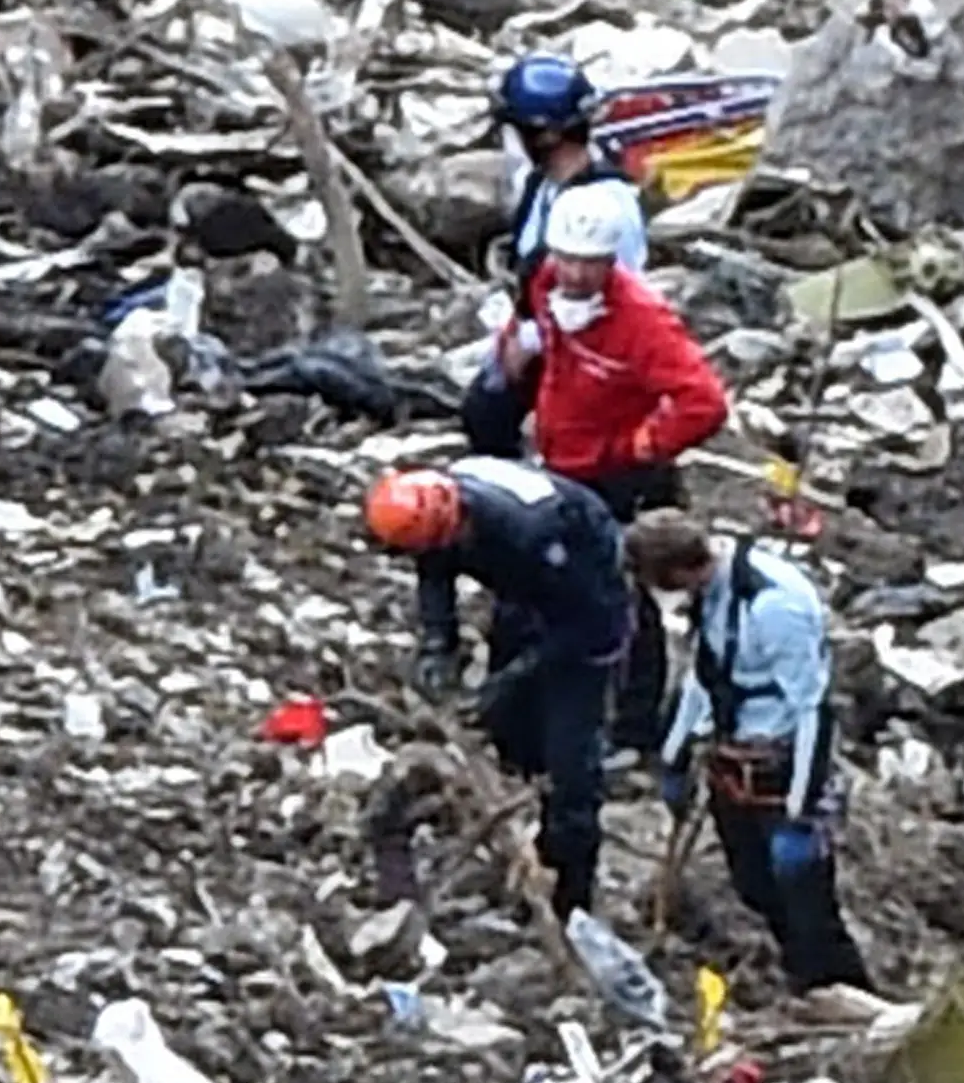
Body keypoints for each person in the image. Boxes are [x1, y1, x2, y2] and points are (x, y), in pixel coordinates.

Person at [512, 185, 730, 756]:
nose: (575, 274)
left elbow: (704, 402)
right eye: (567, 259)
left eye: (590, 263)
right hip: (561, 465)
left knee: (626, 595)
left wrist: (642, 444)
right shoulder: (544, 285)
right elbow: (545, 342)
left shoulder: (642, 323)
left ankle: (635, 728)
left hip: (617, 475)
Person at [633, 512, 880, 1004]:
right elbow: (704, 677)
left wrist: (802, 805)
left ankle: (847, 995)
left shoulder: (773, 606)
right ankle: (801, 984)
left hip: (782, 762)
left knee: (804, 894)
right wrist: (675, 756)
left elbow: (812, 709)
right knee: (753, 884)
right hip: (731, 759)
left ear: (678, 570)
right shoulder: (711, 596)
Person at [369, 459, 631, 920]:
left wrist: (510, 679)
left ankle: (569, 895)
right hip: (525, 590)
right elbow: (434, 573)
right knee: (510, 730)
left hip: (586, 603)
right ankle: (519, 817)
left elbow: (585, 624)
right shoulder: (437, 514)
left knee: (570, 762)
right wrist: (437, 644)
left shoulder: (532, 532)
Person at [461, 53, 648, 457]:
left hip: (588, 353)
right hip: (542, 336)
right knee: (484, 411)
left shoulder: (608, 206)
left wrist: (533, 342)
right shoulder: (541, 187)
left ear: (544, 135)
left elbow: (613, 303)